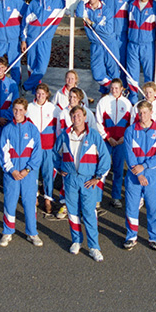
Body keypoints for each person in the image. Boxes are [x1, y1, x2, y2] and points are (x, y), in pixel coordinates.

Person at [53, 105, 111, 262]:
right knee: (72, 213)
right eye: (73, 116)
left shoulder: (93, 135)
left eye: (79, 115)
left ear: (85, 117)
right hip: (71, 179)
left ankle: (94, 247)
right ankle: (76, 241)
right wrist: (60, 168)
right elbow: (54, 153)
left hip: (88, 180)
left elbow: (105, 158)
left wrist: (98, 177)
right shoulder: (65, 135)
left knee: (89, 213)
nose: (76, 118)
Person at [0, 98, 44, 247]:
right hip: (11, 174)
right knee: (10, 203)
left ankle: (32, 232)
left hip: (28, 174)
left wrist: (27, 169)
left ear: (25, 111)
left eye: (20, 110)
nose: (17, 113)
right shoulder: (7, 129)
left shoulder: (32, 129)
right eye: (15, 110)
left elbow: (37, 153)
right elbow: (3, 152)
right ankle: (7, 231)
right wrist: (12, 170)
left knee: (29, 203)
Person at [122, 100, 156, 251]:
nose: (142, 116)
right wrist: (139, 173)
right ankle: (131, 236)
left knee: (154, 209)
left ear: (151, 112)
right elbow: (129, 155)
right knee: (131, 209)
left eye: (145, 112)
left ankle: (154, 238)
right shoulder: (130, 131)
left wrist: (145, 167)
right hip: (134, 177)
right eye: (140, 113)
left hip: (152, 176)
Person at [21, 0, 66, 94]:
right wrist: (23, 40)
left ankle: (25, 87)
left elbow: (69, 2)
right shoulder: (33, 3)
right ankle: (35, 91)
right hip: (31, 38)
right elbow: (25, 22)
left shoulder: (56, 1)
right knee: (31, 66)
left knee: (41, 68)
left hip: (45, 39)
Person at [95, 78, 132, 209]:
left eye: (117, 88)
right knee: (102, 169)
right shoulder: (103, 101)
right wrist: (107, 137)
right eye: (112, 88)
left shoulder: (127, 103)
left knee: (118, 170)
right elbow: (98, 121)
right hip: (106, 141)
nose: (114, 90)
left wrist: (123, 138)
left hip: (121, 141)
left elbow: (130, 124)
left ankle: (116, 197)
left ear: (122, 89)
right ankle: (97, 197)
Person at [26, 83, 60, 217]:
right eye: (38, 93)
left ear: (47, 94)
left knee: (48, 174)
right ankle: (34, 196)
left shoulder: (53, 109)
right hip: (34, 148)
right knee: (33, 173)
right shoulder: (29, 108)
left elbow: (58, 129)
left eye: (43, 94)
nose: (40, 96)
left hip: (48, 146)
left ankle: (48, 199)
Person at [76, 0, 117, 94]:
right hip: (96, 44)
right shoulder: (85, 8)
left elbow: (107, 30)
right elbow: (79, 14)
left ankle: (115, 96)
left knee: (113, 71)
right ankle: (114, 89)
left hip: (109, 43)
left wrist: (92, 24)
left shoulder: (106, 10)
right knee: (97, 74)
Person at [125, 0, 156, 103]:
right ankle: (133, 99)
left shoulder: (155, 6)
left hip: (148, 45)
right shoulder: (132, 5)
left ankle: (148, 99)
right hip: (132, 44)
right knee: (132, 74)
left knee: (149, 74)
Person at [100, 0, 133, 82]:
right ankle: (106, 90)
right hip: (107, 35)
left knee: (122, 62)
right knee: (107, 62)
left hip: (121, 35)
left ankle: (123, 87)